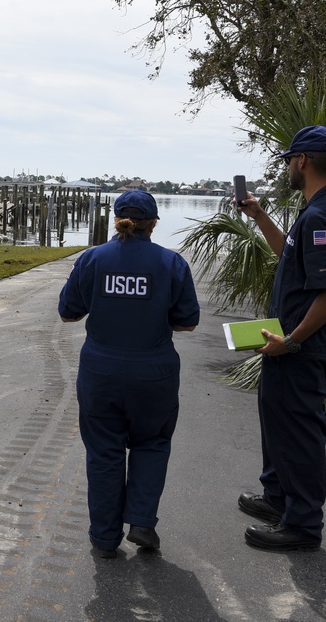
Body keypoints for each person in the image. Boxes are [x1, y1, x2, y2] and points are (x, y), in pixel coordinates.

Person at [58, 190, 200, 558]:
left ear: (116, 218)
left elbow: (68, 313)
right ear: (153, 223)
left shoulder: (91, 259)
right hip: (154, 373)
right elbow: (187, 323)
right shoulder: (172, 263)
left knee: (104, 452)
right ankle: (141, 521)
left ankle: (104, 538)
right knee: (151, 443)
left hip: (101, 372)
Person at [236, 125, 326, 552]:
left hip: (301, 348)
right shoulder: (316, 208)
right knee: (276, 417)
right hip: (286, 344)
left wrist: (294, 341)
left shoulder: (322, 214)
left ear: (302, 160)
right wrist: (260, 216)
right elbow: (289, 254)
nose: (286, 166)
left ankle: (303, 525)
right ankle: (278, 498)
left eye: (288, 159)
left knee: (299, 430)